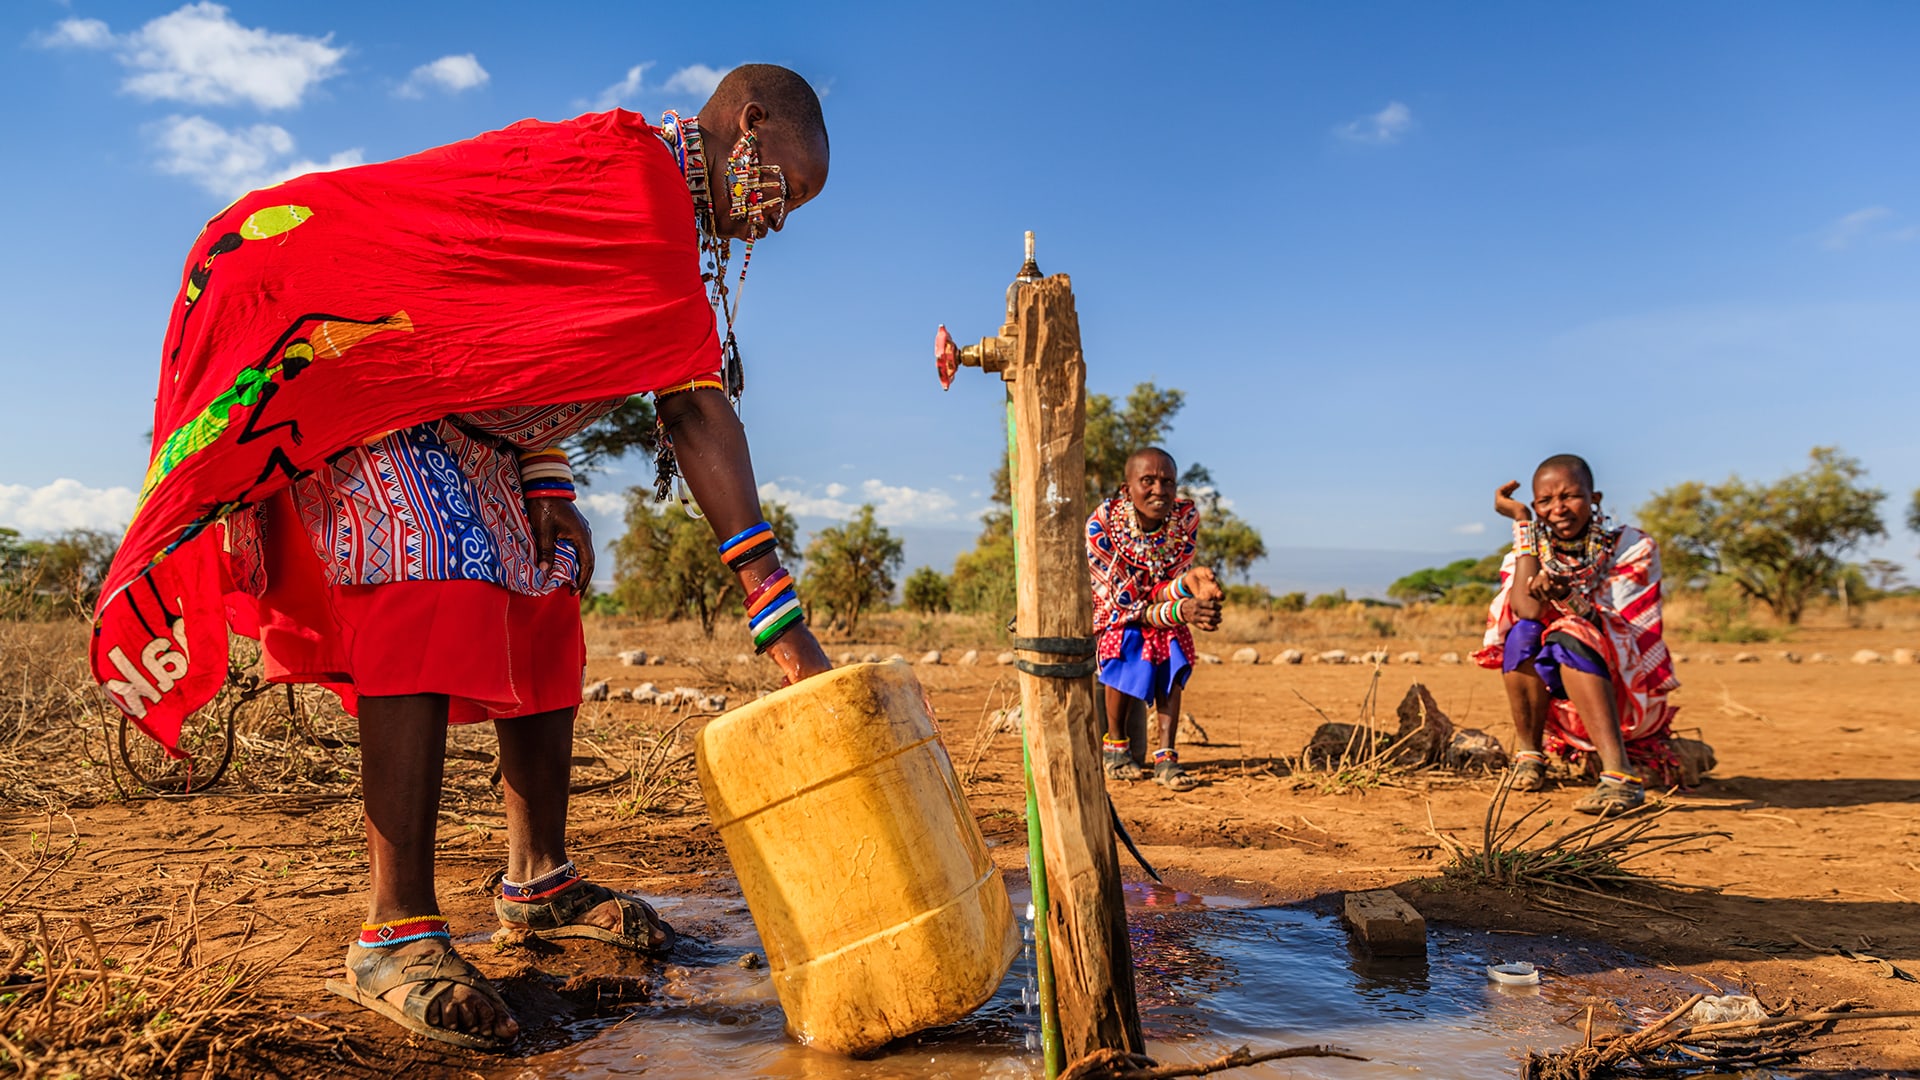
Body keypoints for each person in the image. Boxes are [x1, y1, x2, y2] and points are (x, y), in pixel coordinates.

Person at [91, 65, 834, 1049]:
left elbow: (515, 328)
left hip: (444, 398)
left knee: (542, 588)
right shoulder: (638, 182)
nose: (774, 222)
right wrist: (778, 613)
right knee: (430, 568)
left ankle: (539, 883)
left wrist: (548, 485)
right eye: (782, 188)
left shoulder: (645, 204)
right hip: (344, 344)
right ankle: (393, 933)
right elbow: (693, 406)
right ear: (748, 127)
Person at [1473, 454, 1681, 815]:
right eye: (1544, 501)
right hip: (1559, 695)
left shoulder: (1631, 547)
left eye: (1570, 496)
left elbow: (1620, 632)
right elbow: (1528, 610)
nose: (1558, 508)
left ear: (1594, 499)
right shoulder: (1528, 552)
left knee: (1569, 631)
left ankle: (1620, 777)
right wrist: (1523, 524)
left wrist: (1566, 597)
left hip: (1621, 689)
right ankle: (1530, 756)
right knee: (1522, 634)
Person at [1086, 447, 1222, 791]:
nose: (1159, 490)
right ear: (1126, 487)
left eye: (1167, 482)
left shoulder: (1183, 521)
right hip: (1111, 613)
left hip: (1151, 609)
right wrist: (1181, 608)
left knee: (1172, 643)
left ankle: (1166, 757)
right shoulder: (1102, 526)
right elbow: (1123, 602)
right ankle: (1116, 748)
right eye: (1147, 480)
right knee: (1127, 640)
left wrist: (1189, 585)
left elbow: (1163, 586)